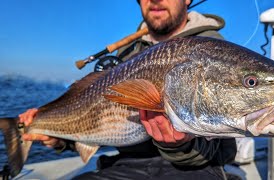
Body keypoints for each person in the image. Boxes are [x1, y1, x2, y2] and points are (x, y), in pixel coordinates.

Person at [19, 0, 239, 179]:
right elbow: (94, 118)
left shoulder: (211, 49)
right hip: (126, 165)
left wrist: (179, 146)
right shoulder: (125, 55)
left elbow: (216, 144)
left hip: (198, 168)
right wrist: (58, 139)